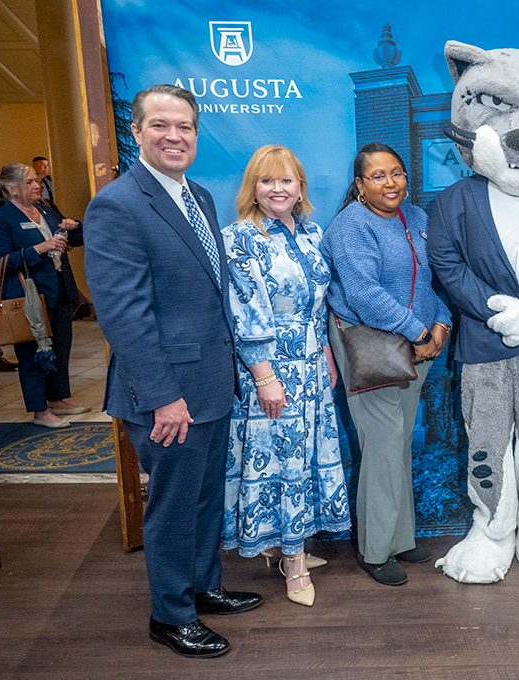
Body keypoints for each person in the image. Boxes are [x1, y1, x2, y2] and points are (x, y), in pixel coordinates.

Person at [84, 84, 262, 658]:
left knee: (208, 497)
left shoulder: (201, 197)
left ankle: (203, 587)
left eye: (184, 126)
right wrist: (163, 396)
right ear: (136, 133)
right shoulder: (117, 204)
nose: (174, 136)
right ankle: (170, 615)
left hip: (211, 383)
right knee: (174, 506)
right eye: (160, 125)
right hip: (166, 395)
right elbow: (123, 315)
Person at [220, 145, 351, 606]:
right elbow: (243, 314)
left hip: (312, 367)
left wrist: (326, 356)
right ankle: (293, 564)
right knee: (280, 462)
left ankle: (286, 545)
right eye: (266, 180)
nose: (277, 189)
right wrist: (263, 376)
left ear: (300, 188)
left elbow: (319, 305)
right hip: (270, 370)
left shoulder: (313, 233)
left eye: (286, 180)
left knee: (303, 460)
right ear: (252, 189)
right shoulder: (239, 238)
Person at [322, 142, 452, 587]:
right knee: (382, 445)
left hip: (418, 348)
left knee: (398, 443)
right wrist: (417, 332)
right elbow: (364, 294)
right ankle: (376, 549)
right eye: (377, 176)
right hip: (373, 348)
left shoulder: (416, 217)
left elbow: (435, 278)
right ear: (360, 184)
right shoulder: (350, 226)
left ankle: (401, 537)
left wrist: (441, 324)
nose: (390, 182)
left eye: (396, 173)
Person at [0, 164, 86, 427]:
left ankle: (56, 399)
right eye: (30, 181)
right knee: (32, 355)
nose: (37, 185)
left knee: (61, 347)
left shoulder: (45, 209)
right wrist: (40, 248)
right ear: (11, 189)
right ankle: (40, 411)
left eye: (37, 180)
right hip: (28, 296)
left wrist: (73, 226)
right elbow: (2, 262)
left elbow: (74, 240)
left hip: (60, 289)